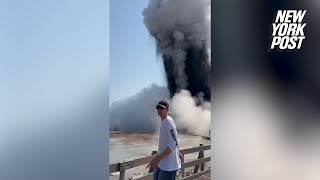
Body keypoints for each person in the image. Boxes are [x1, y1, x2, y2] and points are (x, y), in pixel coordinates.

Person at [146, 101, 183, 180]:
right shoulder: (164, 121)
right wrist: (178, 153)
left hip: (168, 166)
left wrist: (156, 160)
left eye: (161, 108)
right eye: (158, 107)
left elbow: (174, 142)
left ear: (167, 110)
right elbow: (175, 138)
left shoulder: (168, 122)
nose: (159, 109)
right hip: (162, 163)